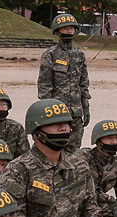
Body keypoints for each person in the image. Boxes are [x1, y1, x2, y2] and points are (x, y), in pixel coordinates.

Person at [37, 13, 90, 151]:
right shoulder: (50, 55)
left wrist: (86, 107)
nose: (69, 31)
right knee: (54, 146)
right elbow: (44, 85)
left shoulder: (79, 55)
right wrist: (46, 113)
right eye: (65, 28)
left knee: (74, 150)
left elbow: (83, 84)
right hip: (57, 112)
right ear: (58, 31)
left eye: (71, 28)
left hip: (76, 113)